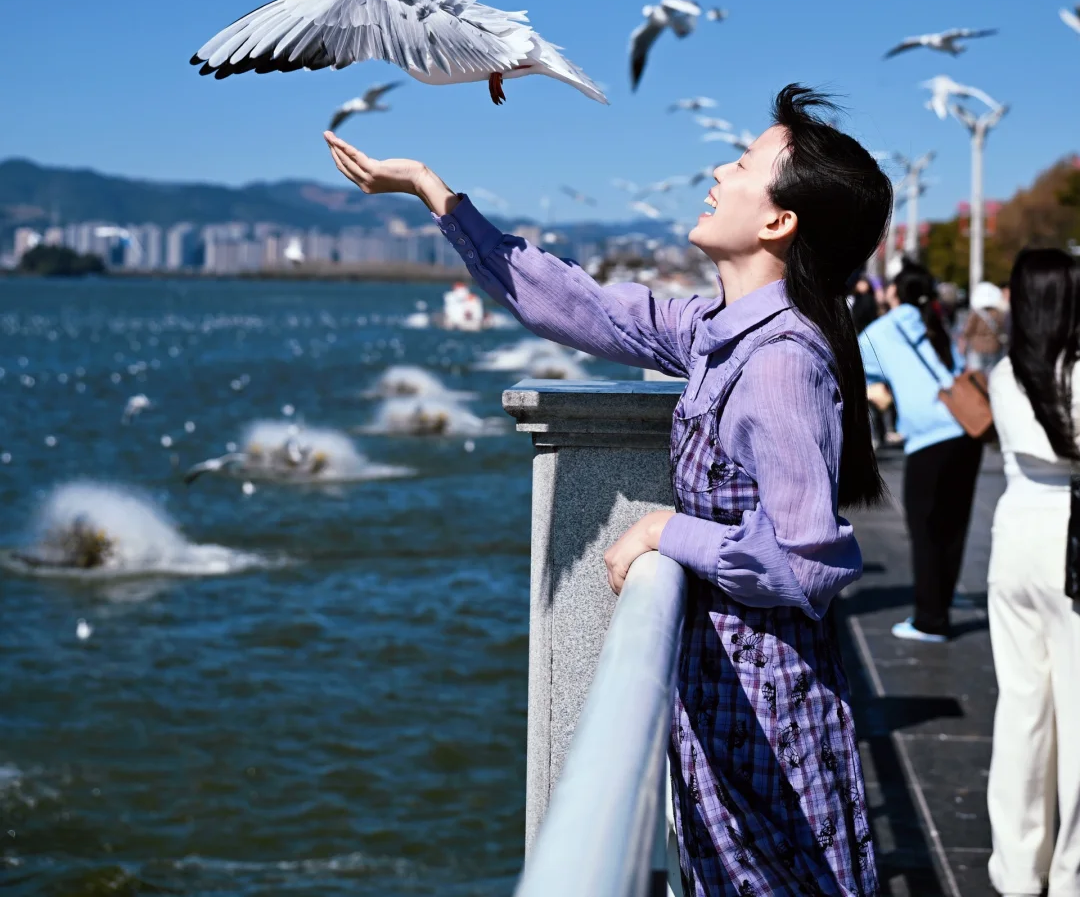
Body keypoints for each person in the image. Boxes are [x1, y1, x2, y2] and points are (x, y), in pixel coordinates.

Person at [325, 84, 891, 897]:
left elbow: (809, 564)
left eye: (741, 164)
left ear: (779, 222)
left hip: (768, 707)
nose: (718, 173)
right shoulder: (717, 333)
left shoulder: (777, 363)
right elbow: (580, 305)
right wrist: (433, 193)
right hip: (729, 690)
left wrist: (668, 531)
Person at [986, 249, 1080, 897]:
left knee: (1020, 708)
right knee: (1076, 716)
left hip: (1012, 535)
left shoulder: (1002, 374)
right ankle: (1072, 871)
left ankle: (1017, 869)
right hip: (1070, 540)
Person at [859, 262, 979, 642]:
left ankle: (930, 620)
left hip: (928, 438)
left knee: (925, 530)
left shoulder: (882, 330)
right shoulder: (934, 325)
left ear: (895, 293)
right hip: (967, 431)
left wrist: (882, 392)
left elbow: (855, 367)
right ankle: (942, 600)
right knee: (954, 525)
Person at [960, 281, 1008, 374]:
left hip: (977, 348)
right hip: (994, 347)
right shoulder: (999, 313)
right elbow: (1002, 329)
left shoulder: (976, 314)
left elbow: (967, 331)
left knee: (977, 374)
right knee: (991, 373)